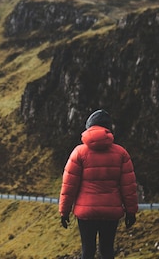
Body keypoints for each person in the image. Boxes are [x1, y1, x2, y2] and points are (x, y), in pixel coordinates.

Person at [59, 109, 138, 259]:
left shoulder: (79, 152)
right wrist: (131, 211)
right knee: (107, 251)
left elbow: (69, 185)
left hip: (86, 212)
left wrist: (64, 211)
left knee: (87, 251)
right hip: (111, 212)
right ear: (108, 128)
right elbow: (129, 187)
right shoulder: (121, 153)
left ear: (89, 127)